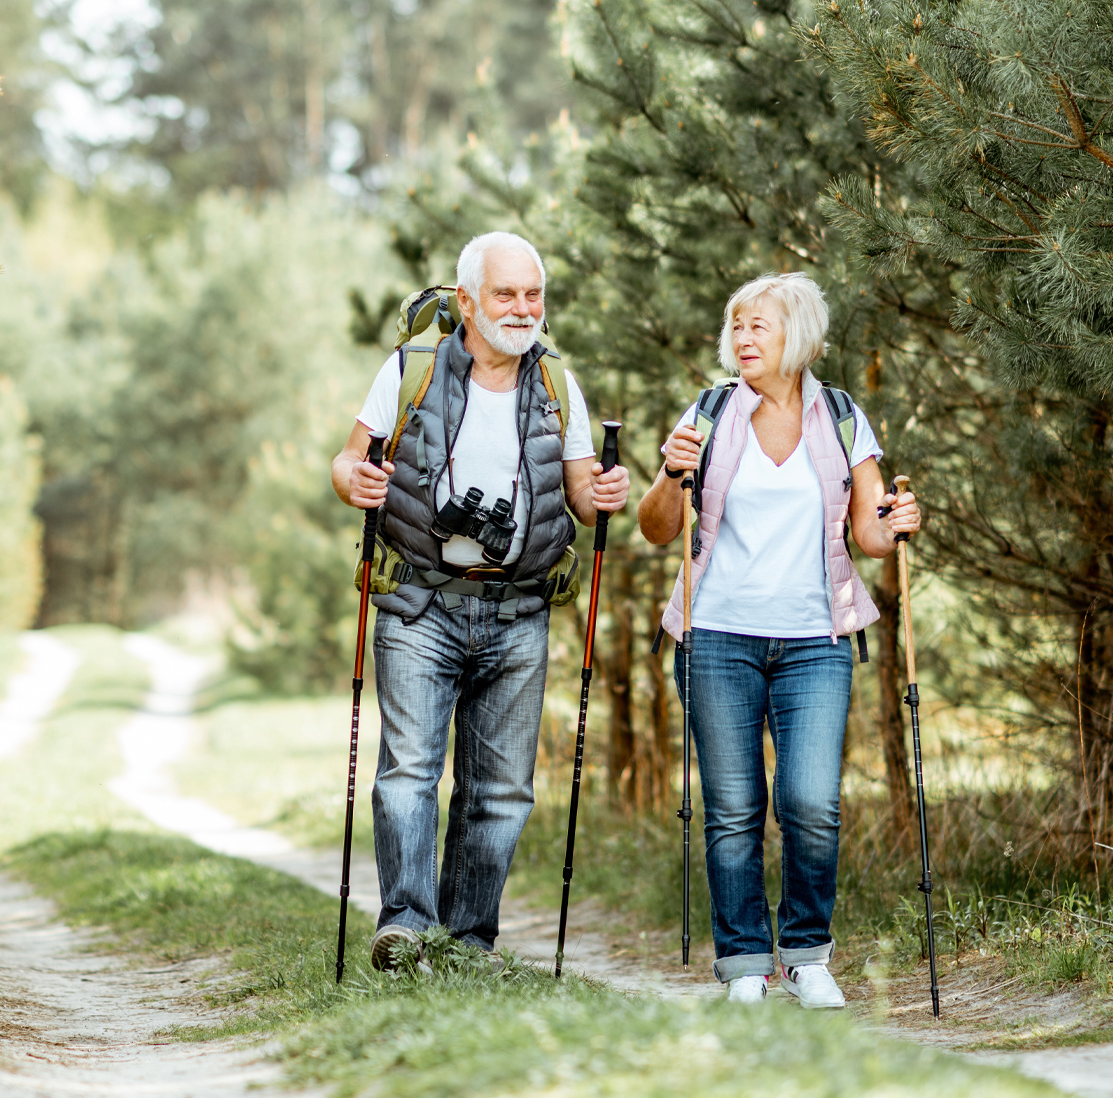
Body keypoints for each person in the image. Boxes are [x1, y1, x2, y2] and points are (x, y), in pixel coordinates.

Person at [331, 231, 630, 970]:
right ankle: (405, 927)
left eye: (534, 294)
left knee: (500, 791)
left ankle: (468, 943)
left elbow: (585, 497)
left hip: (521, 610)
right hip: (418, 605)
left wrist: (608, 492)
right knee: (410, 772)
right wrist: (353, 480)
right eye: (507, 293)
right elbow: (350, 458)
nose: (523, 308)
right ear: (468, 300)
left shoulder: (558, 384)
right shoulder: (411, 368)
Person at [637, 271, 921, 1008]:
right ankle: (742, 964)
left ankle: (804, 954)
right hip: (717, 637)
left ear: (797, 333)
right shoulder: (706, 413)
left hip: (814, 642)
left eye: (757, 325)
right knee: (732, 809)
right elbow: (656, 527)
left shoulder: (843, 416)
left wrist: (896, 524)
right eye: (737, 327)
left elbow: (869, 535)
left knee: (810, 800)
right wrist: (672, 474)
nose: (742, 339)